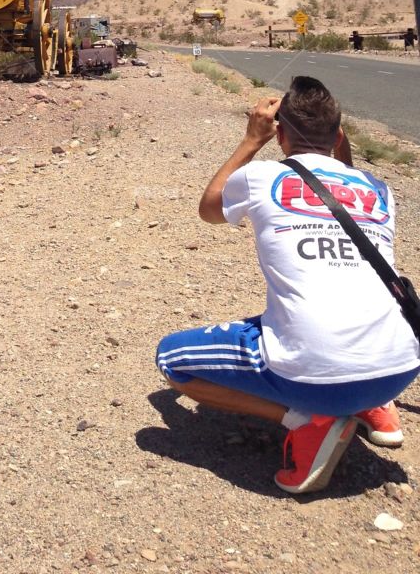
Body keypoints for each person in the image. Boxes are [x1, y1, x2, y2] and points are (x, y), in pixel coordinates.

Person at [155, 76, 420, 494]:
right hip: (399, 367)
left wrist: (249, 141)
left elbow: (209, 210)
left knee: (172, 360)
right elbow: (340, 181)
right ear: (338, 136)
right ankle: (375, 407)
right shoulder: (380, 190)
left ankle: (308, 420)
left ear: (279, 134)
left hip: (318, 370)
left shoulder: (261, 176)